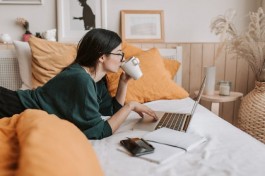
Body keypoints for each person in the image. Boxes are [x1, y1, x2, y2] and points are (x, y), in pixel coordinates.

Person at [0, 28, 157, 139]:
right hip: (12, 106)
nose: (123, 59)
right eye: (119, 53)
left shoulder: (97, 80)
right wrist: (131, 106)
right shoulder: (80, 79)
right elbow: (100, 131)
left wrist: (123, 83)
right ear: (102, 57)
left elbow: (111, 111)